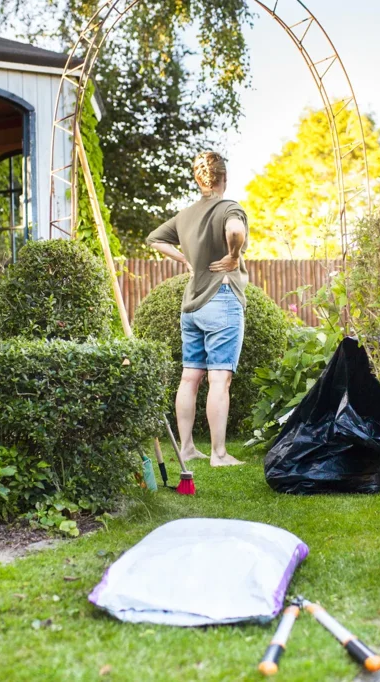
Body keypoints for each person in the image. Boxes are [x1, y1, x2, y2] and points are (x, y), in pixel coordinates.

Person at [145, 151, 248, 467]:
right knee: (220, 379)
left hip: (191, 306)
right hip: (221, 298)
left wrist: (183, 259)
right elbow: (235, 231)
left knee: (190, 376)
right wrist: (233, 254)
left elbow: (154, 239)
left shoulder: (185, 215)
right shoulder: (229, 207)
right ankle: (219, 454)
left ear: (198, 179)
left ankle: (187, 448)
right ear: (223, 179)